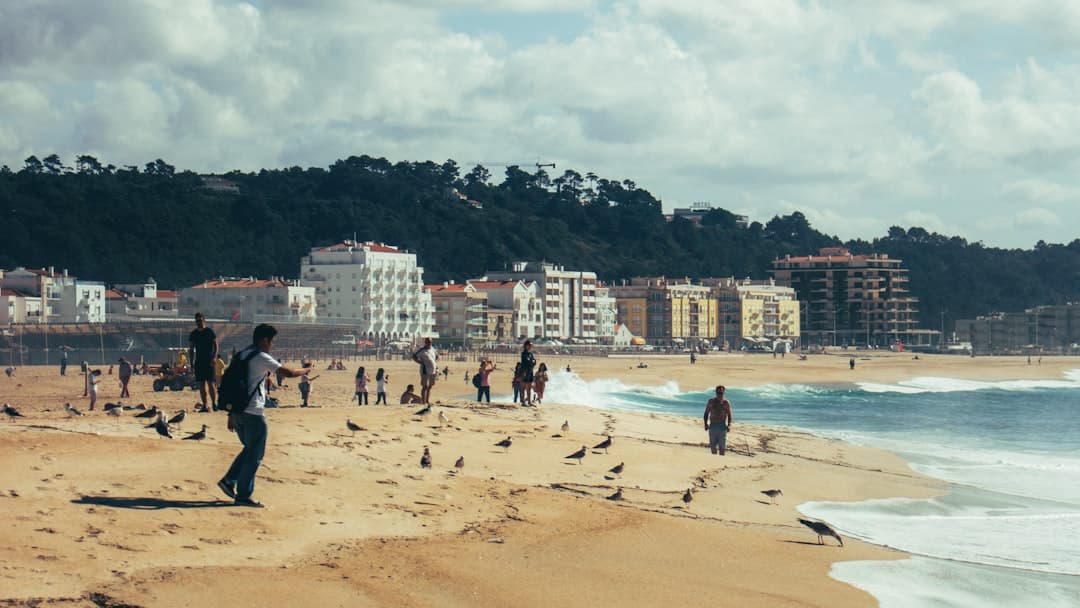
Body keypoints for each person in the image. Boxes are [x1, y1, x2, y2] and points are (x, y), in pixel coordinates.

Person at [219, 324, 313, 508]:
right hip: (253, 412)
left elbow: (232, 384)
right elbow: (288, 373)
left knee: (249, 449)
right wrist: (306, 370)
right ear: (264, 340)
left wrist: (230, 413)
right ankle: (243, 495)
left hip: (237, 412)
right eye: (271, 341)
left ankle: (229, 480)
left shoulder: (242, 354)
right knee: (255, 455)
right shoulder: (260, 357)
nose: (272, 345)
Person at [188, 312, 219, 411]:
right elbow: (191, 349)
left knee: (211, 384)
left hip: (209, 361)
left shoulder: (209, 332)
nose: (199, 322)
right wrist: (191, 363)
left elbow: (216, 346)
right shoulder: (194, 334)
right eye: (197, 321)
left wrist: (214, 357)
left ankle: (214, 403)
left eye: (200, 320)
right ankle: (205, 405)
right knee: (201, 385)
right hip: (199, 362)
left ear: (204, 320)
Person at [703, 385, 733, 456]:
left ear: (724, 393)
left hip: (722, 427)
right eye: (718, 393)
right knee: (713, 447)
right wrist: (705, 424)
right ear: (716, 393)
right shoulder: (711, 401)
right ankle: (715, 462)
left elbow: (729, 415)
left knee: (722, 447)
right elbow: (706, 413)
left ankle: (721, 462)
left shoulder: (726, 403)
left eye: (721, 393)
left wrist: (729, 425)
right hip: (713, 426)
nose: (719, 395)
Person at [412, 337, 438, 405]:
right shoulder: (422, 350)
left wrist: (435, 363)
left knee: (430, 386)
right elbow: (414, 356)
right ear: (425, 342)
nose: (429, 343)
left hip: (433, 370)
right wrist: (419, 362)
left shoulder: (433, 349)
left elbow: (437, 356)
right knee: (425, 386)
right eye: (427, 342)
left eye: (430, 342)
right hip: (425, 370)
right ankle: (423, 402)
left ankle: (427, 400)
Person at [519, 340, 536, 406]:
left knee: (529, 387)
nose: (531, 347)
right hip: (525, 372)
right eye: (530, 345)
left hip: (530, 371)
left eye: (531, 345)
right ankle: (523, 401)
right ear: (526, 346)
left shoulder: (531, 354)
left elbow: (534, 362)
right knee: (523, 386)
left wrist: (532, 361)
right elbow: (527, 362)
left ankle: (529, 401)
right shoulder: (524, 354)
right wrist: (532, 361)